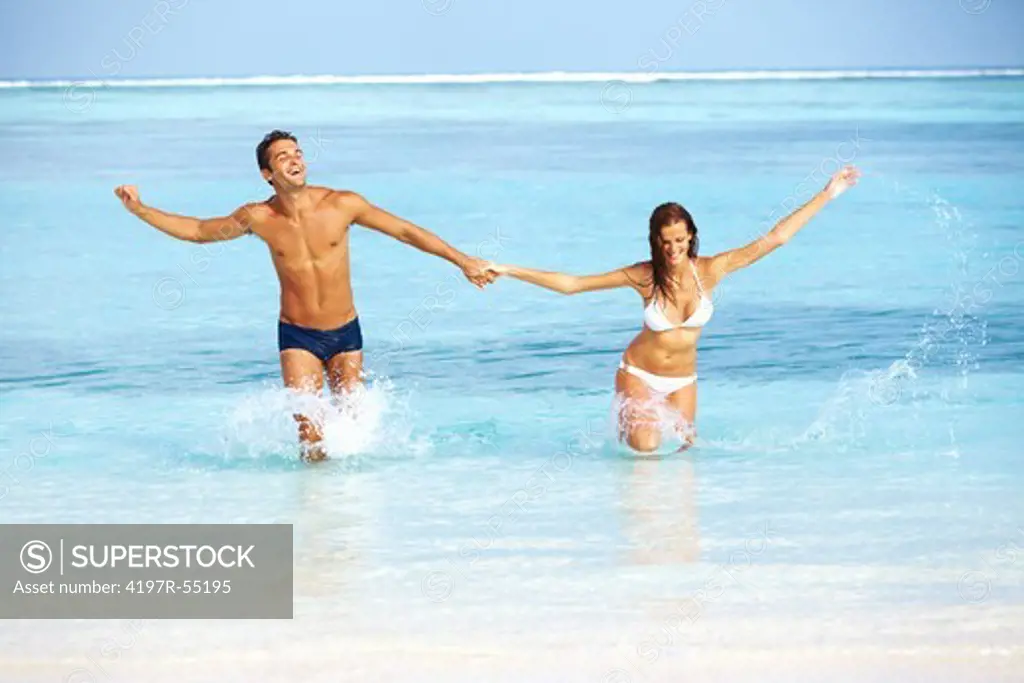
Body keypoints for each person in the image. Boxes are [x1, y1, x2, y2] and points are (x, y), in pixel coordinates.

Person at [115, 129, 495, 462]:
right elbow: (198, 230)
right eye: (283, 156)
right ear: (267, 174)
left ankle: (350, 516)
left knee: (354, 433)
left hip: (346, 332)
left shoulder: (343, 204)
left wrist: (461, 261)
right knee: (311, 436)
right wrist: (138, 210)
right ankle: (314, 517)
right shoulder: (258, 218)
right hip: (298, 335)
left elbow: (405, 231)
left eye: (297, 153)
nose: (294, 159)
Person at [486, 166, 861, 453]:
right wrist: (508, 269)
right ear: (655, 241)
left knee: (686, 454)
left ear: (691, 237)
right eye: (665, 242)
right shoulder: (643, 277)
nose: (673, 248)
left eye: (680, 240)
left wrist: (828, 193)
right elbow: (572, 285)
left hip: (684, 381)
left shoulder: (710, 270)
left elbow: (775, 239)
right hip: (639, 373)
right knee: (645, 450)